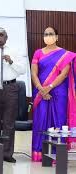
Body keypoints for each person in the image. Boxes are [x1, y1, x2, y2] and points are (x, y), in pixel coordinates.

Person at [31, 26, 76, 162]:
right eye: (46, 34)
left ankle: (57, 154)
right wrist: (41, 88)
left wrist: (49, 87)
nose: (48, 36)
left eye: (51, 34)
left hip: (58, 92)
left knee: (58, 122)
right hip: (41, 92)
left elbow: (64, 74)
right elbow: (34, 72)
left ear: (57, 37)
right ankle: (39, 152)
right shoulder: (38, 53)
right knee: (40, 121)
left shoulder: (65, 55)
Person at [0, 27, 26, 163]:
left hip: (11, 87)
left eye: (1, 35)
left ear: (6, 37)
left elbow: (22, 70)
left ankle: (7, 154)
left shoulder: (14, 51)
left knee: (9, 122)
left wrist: (11, 61)